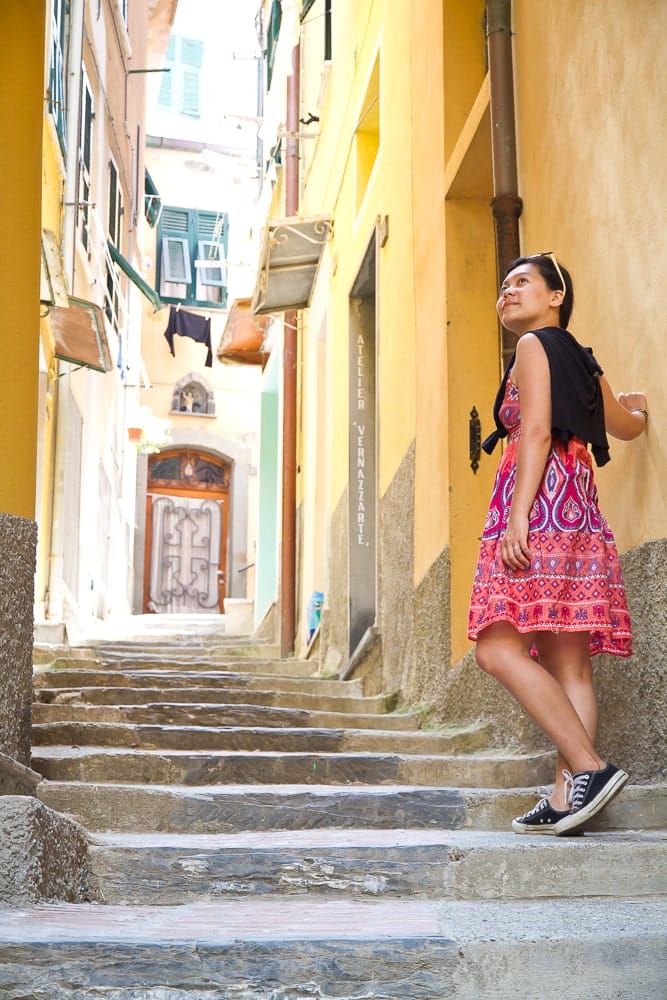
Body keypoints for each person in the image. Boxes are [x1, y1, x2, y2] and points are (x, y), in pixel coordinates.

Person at [468, 252, 648, 836]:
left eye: (522, 282)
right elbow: (622, 423)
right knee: (569, 664)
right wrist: (642, 413)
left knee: (495, 649)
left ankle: (591, 770)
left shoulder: (531, 348)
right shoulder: (583, 359)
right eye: (503, 286)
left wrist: (517, 517)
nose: (507, 292)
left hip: (538, 506)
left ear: (555, 297)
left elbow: (537, 430)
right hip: (578, 509)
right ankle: (567, 797)